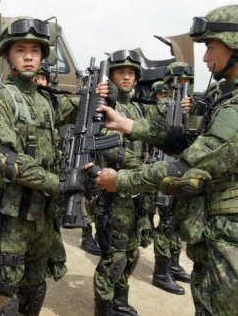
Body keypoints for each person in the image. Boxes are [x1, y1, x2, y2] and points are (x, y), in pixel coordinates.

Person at [95, 5, 238, 316]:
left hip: (231, 242)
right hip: (223, 234)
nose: (206, 57)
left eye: (211, 47)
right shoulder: (236, 99)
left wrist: (121, 181)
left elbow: (186, 166)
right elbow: (188, 140)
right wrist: (128, 124)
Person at [0, 17, 81, 316]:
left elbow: (76, 108)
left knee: (34, 291)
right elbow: (1, 160)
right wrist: (56, 183)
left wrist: (102, 94)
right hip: (12, 216)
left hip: (43, 216)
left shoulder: (45, 99)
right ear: (7, 55)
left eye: (35, 51)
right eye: (20, 50)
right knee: (3, 301)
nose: (28, 56)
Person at [92, 50, 152, 316]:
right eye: (121, 72)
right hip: (113, 194)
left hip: (136, 193)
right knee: (113, 258)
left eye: (131, 73)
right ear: (111, 76)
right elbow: (109, 149)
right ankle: (104, 308)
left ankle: (119, 301)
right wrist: (146, 170)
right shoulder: (104, 106)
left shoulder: (138, 108)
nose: (127, 77)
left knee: (130, 253)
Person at [147, 62, 195, 295]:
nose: (183, 85)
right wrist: (174, 106)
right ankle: (161, 271)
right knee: (166, 222)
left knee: (178, 221)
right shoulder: (162, 106)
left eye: (187, 82)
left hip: (184, 168)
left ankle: (174, 265)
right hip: (167, 168)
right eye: (179, 81)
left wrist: (192, 111)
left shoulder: (191, 105)